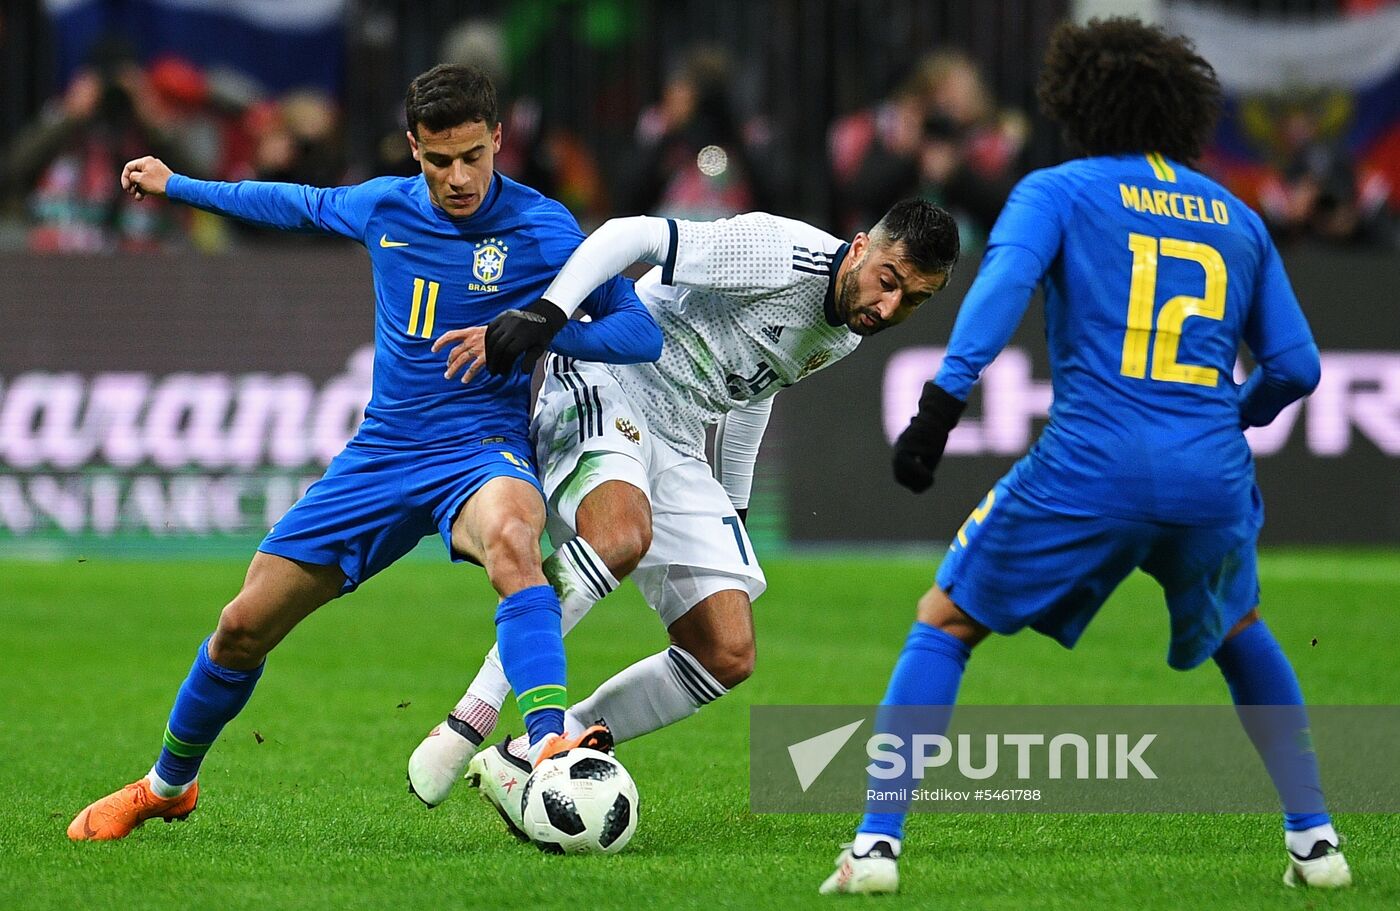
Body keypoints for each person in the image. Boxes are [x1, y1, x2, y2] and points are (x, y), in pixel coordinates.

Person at [818, 19, 1348, 895]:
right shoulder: (1241, 219)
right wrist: (1230, 418)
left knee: (946, 619)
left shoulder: (1058, 190)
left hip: (1090, 463)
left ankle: (875, 847)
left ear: (1079, 100)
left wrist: (940, 410)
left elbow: (1000, 288)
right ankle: (1317, 840)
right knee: (1242, 628)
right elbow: (1298, 367)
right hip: (1208, 473)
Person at [66, 63, 662, 842]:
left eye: (473, 156)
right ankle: (166, 785)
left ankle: (547, 740)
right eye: (439, 159)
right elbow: (289, 202)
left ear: (498, 141)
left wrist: (544, 328)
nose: (458, 177)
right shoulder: (384, 204)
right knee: (241, 627)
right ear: (413, 147)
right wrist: (181, 186)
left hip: (480, 451)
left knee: (517, 543)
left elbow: (640, 331)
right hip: (382, 455)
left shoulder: (544, 227)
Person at [405, 198, 961, 831]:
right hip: (605, 380)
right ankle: (470, 718)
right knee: (619, 537)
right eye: (888, 281)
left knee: (726, 652)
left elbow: (755, 393)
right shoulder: (779, 252)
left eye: (913, 300)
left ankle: (545, 749)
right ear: (860, 248)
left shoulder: (847, 330)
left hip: (676, 435)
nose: (889, 308)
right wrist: (549, 311)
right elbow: (626, 233)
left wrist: (735, 500)